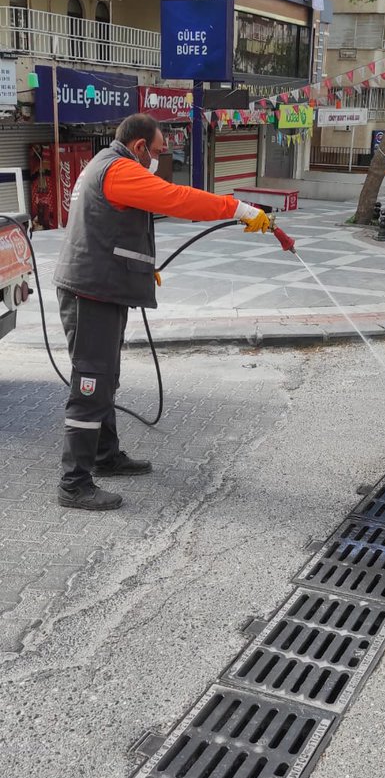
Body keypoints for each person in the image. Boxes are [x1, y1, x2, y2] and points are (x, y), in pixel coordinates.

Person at [53, 113, 270, 512]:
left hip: (99, 288)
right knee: (90, 384)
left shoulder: (103, 164)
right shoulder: (119, 168)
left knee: (104, 379)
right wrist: (238, 208)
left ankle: (105, 457)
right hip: (92, 293)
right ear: (139, 147)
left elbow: (104, 227)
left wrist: (139, 266)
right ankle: (74, 484)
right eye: (156, 152)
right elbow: (177, 198)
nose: (158, 159)